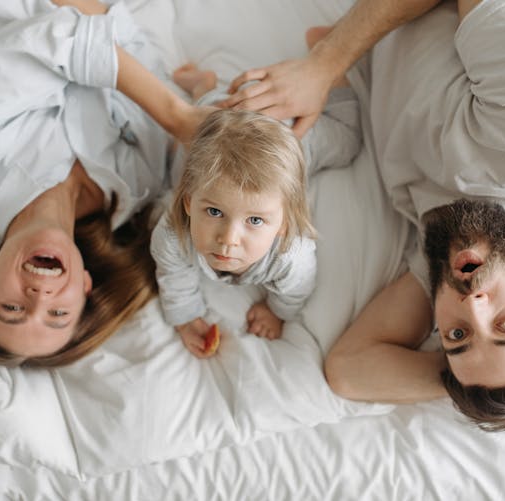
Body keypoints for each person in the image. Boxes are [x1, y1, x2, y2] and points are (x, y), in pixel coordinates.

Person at [227, 0, 505, 429]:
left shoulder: (454, 256)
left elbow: (349, 369)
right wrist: (324, 63)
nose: (472, 306)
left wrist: (500, 387)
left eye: (457, 337)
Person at [0, 0, 210, 366]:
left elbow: (57, 37)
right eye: (57, 315)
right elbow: (132, 50)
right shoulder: (134, 186)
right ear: (83, 286)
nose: (38, 296)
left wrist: (177, 115)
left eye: (12, 307)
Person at [150, 62, 361, 358]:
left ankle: (332, 72)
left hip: (290, 139)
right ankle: (204, 86)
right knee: (192, 135)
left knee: (349, 139)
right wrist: (185, 317)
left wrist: (276, 311)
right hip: (215, 124)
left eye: (255, 220)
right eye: (213, 213)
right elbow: (173, 274)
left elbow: (296, 289)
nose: (228, 239)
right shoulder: (174, 232)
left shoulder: (292, 255)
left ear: (284, 222)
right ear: (188, 202)